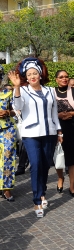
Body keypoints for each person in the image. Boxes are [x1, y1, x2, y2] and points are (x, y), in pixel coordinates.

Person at [9, 58, 62, 217]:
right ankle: (37, 201)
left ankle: (42, 191)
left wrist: (59, 131)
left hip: (50, 133)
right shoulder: (22, 91)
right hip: (31, 134)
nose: (32, 76)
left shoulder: (50, 90)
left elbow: (54, 113)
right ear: (25, 76)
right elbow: (17, 107)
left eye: (35, 73)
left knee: (45, 164)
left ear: (40, 74)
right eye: (29, 74)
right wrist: (17, 87)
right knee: (36, 164)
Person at [54, 70, 74, 197]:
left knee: (73, 159)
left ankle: (72, 185)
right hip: (58, 128)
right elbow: (47, 111)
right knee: (59, 156)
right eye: (61, 77)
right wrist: (58, 115)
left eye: (66, 77)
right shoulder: (51, 92)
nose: (64, 79)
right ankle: (60, 177)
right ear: (56, 79)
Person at [0, 70, 18, 201]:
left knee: (8, 158)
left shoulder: (8, 93)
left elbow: (17, 110)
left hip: (8, 130)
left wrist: (7, 111)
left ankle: (6, 189)